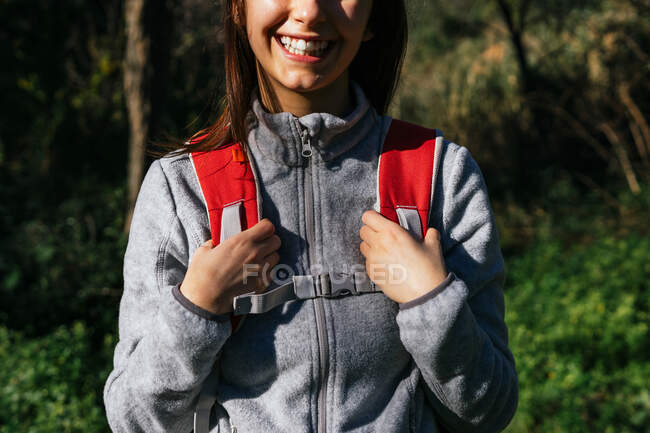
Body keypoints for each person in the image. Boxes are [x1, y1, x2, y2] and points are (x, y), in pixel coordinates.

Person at [103, 0, 519, 432]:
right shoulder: (182, 188)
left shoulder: (439, 176)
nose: (309, 11)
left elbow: (489, 411)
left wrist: (431, 302)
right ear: (238, 9)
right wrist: (198, 308)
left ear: (374, 16)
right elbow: (133, 419)